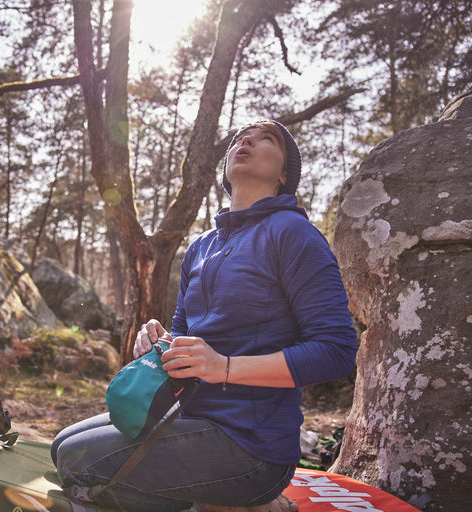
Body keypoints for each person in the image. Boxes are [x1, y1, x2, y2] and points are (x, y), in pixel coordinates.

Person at [51, 120, 358, 512]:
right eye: (241, 138)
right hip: (187, 415)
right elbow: (183, 332)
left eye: (268, 140)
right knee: (62, 446)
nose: (247, 140)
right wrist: (160, 341)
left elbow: (336, 351)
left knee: (80, 465)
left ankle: (238, 503)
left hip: (252, 446)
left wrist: (225, 368)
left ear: (284, 174)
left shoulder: (294, 234)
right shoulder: (203, 246)